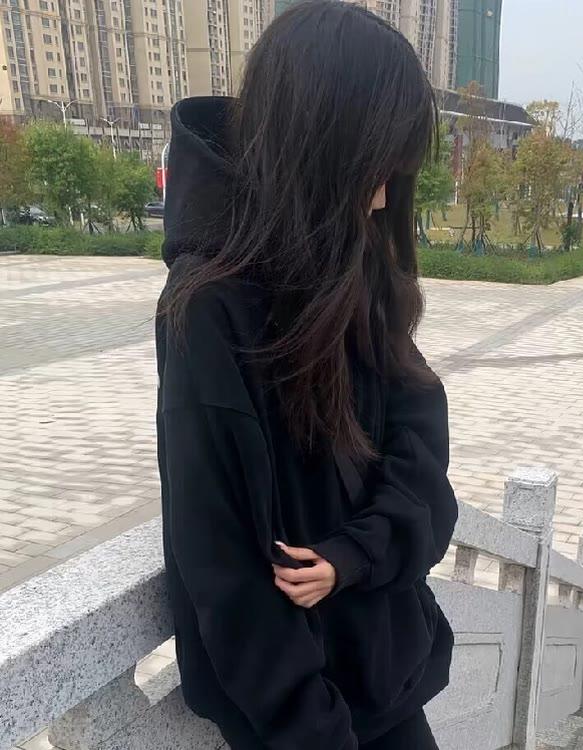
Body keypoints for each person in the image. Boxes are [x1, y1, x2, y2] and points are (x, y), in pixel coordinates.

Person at [155, 2, 458, 748]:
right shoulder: (210, 308)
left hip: (386, 674)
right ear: (327, 149)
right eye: (378, 168)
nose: (385, 195)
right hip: (301, 717)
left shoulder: (355, 263)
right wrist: (309, 726)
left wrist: (359, 552)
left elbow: (421, 444)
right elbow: (219, 558)